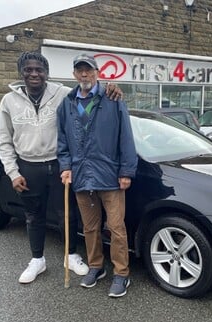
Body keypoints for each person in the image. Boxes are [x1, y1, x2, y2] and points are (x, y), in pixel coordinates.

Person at [0, 51, 122, 284]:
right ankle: (37, 260)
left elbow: (89, 90)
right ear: (21, 73)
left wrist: (111, 88)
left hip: (59, 165)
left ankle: (71, 255)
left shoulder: (63, 94)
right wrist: (13, 173)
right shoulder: (8, 101)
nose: (34, 73)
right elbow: (5, 140)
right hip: (28, 167)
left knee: (67, 213)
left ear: (47, 73)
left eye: (39, 69)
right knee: (33, 216)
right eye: (29, 69)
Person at [57, 53, 138, 298]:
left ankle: (121, 273)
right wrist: (65, 166)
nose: (84, 74)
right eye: (80, 70)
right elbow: (62, 140)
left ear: (97, 72)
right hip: (81, 177)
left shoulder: (113, 99)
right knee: (90, 228)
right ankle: (95, 267)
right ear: (74, 74)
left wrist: (126, 171)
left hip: (110, 176)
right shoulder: (67, 104)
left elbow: (126, 137)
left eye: (89, 70)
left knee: (116, 228)